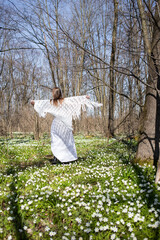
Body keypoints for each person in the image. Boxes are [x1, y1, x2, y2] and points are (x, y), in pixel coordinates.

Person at [31, 87, 102, 164]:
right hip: (66, 125)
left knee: (56, 142)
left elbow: (38, 103)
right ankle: (68, 158)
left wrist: (34, 102)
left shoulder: (50, 102)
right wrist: (84, 98)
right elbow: (76, 100)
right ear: (60, 93)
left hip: (57, 125)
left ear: (53, 94)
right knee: (67, 141)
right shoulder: (66, 101)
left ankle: (56, 158)